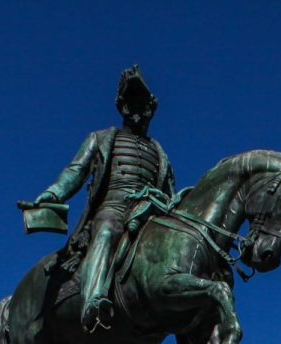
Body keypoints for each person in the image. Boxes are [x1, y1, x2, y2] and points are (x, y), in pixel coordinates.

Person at [21, 67, 177, 330]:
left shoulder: (159, 152)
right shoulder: (102, 139)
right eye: (133, 104)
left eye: (144, 106)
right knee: (106, 232)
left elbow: (171, 193)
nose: (139, 112)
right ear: (123, 107)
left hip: (150, 213)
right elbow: (75, 172)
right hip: (113, 209)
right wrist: (52, 194)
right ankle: (94, 300)